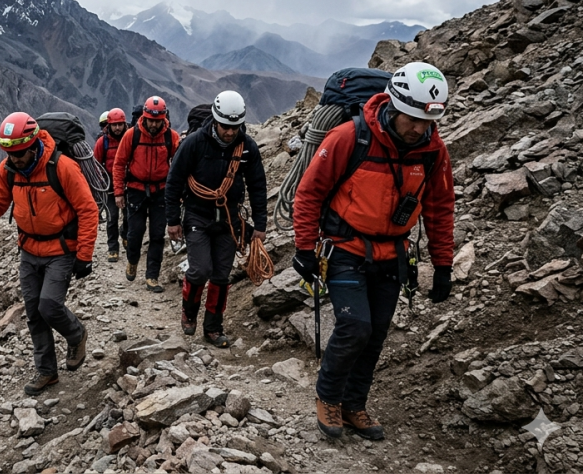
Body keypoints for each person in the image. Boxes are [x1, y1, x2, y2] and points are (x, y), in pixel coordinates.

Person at [291, 62, 455, 441]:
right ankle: (328, 398)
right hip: (345, 248)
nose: (419, 129)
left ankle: (354, 404)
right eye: (412, 119)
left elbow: (440, 207)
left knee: (377, 332)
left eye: (426, 122)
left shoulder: (433, 151)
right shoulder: (350, 137)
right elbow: (309, 192)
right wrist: (304, 248)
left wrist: (443, 264)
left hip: (393, 254)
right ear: (394, 106)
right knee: (355, 326)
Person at [0, 112, 99, 395]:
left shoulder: (62, 167)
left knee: (49, 306)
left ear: (33, 143)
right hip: (28, 249)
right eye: (10, 153)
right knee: (35, 314)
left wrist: (84, 255)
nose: (15, 159)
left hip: (60, 250)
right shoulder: (9, 170)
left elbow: (87, 210)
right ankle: (47, 372)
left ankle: (77, 334)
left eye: (20, 153)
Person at [165, 90, 267, 347]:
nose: (230, 132)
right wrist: (173, 220)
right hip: (198, 215)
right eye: (225, 127)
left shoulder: (247, 147)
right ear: (215, 120)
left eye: (235, 127)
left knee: (222, 276)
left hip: (229, 220)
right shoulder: (194, 143)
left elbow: (257, 185)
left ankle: (213, 328)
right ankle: (189, 312)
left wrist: (261, 225)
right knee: (200, 270)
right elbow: (174, 181)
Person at [113, 96, 180, 291]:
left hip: (161, 192)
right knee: (135, 233)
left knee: (158, 235)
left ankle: (152, 276)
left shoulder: (171, 137)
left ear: (164, 118)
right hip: (135, 190)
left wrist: (178, 193)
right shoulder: (131, 135)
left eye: (157, 121)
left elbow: (179, 166)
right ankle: (132, 260)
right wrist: (118, 192)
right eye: (151, 120)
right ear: (144, 117)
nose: (153, 124)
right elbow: (119, 164)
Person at [94, 108, 128, 261]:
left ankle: (126, 235)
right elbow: (96, 164)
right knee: (112, 217)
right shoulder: (103, 142)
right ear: (109, 125)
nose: (117, 128)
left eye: (120, 124)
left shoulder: (129, 138)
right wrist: (101, 183)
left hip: (128, 182)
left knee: (129, 216)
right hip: (109, 184)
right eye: (114, 125)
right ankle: (113, 247)